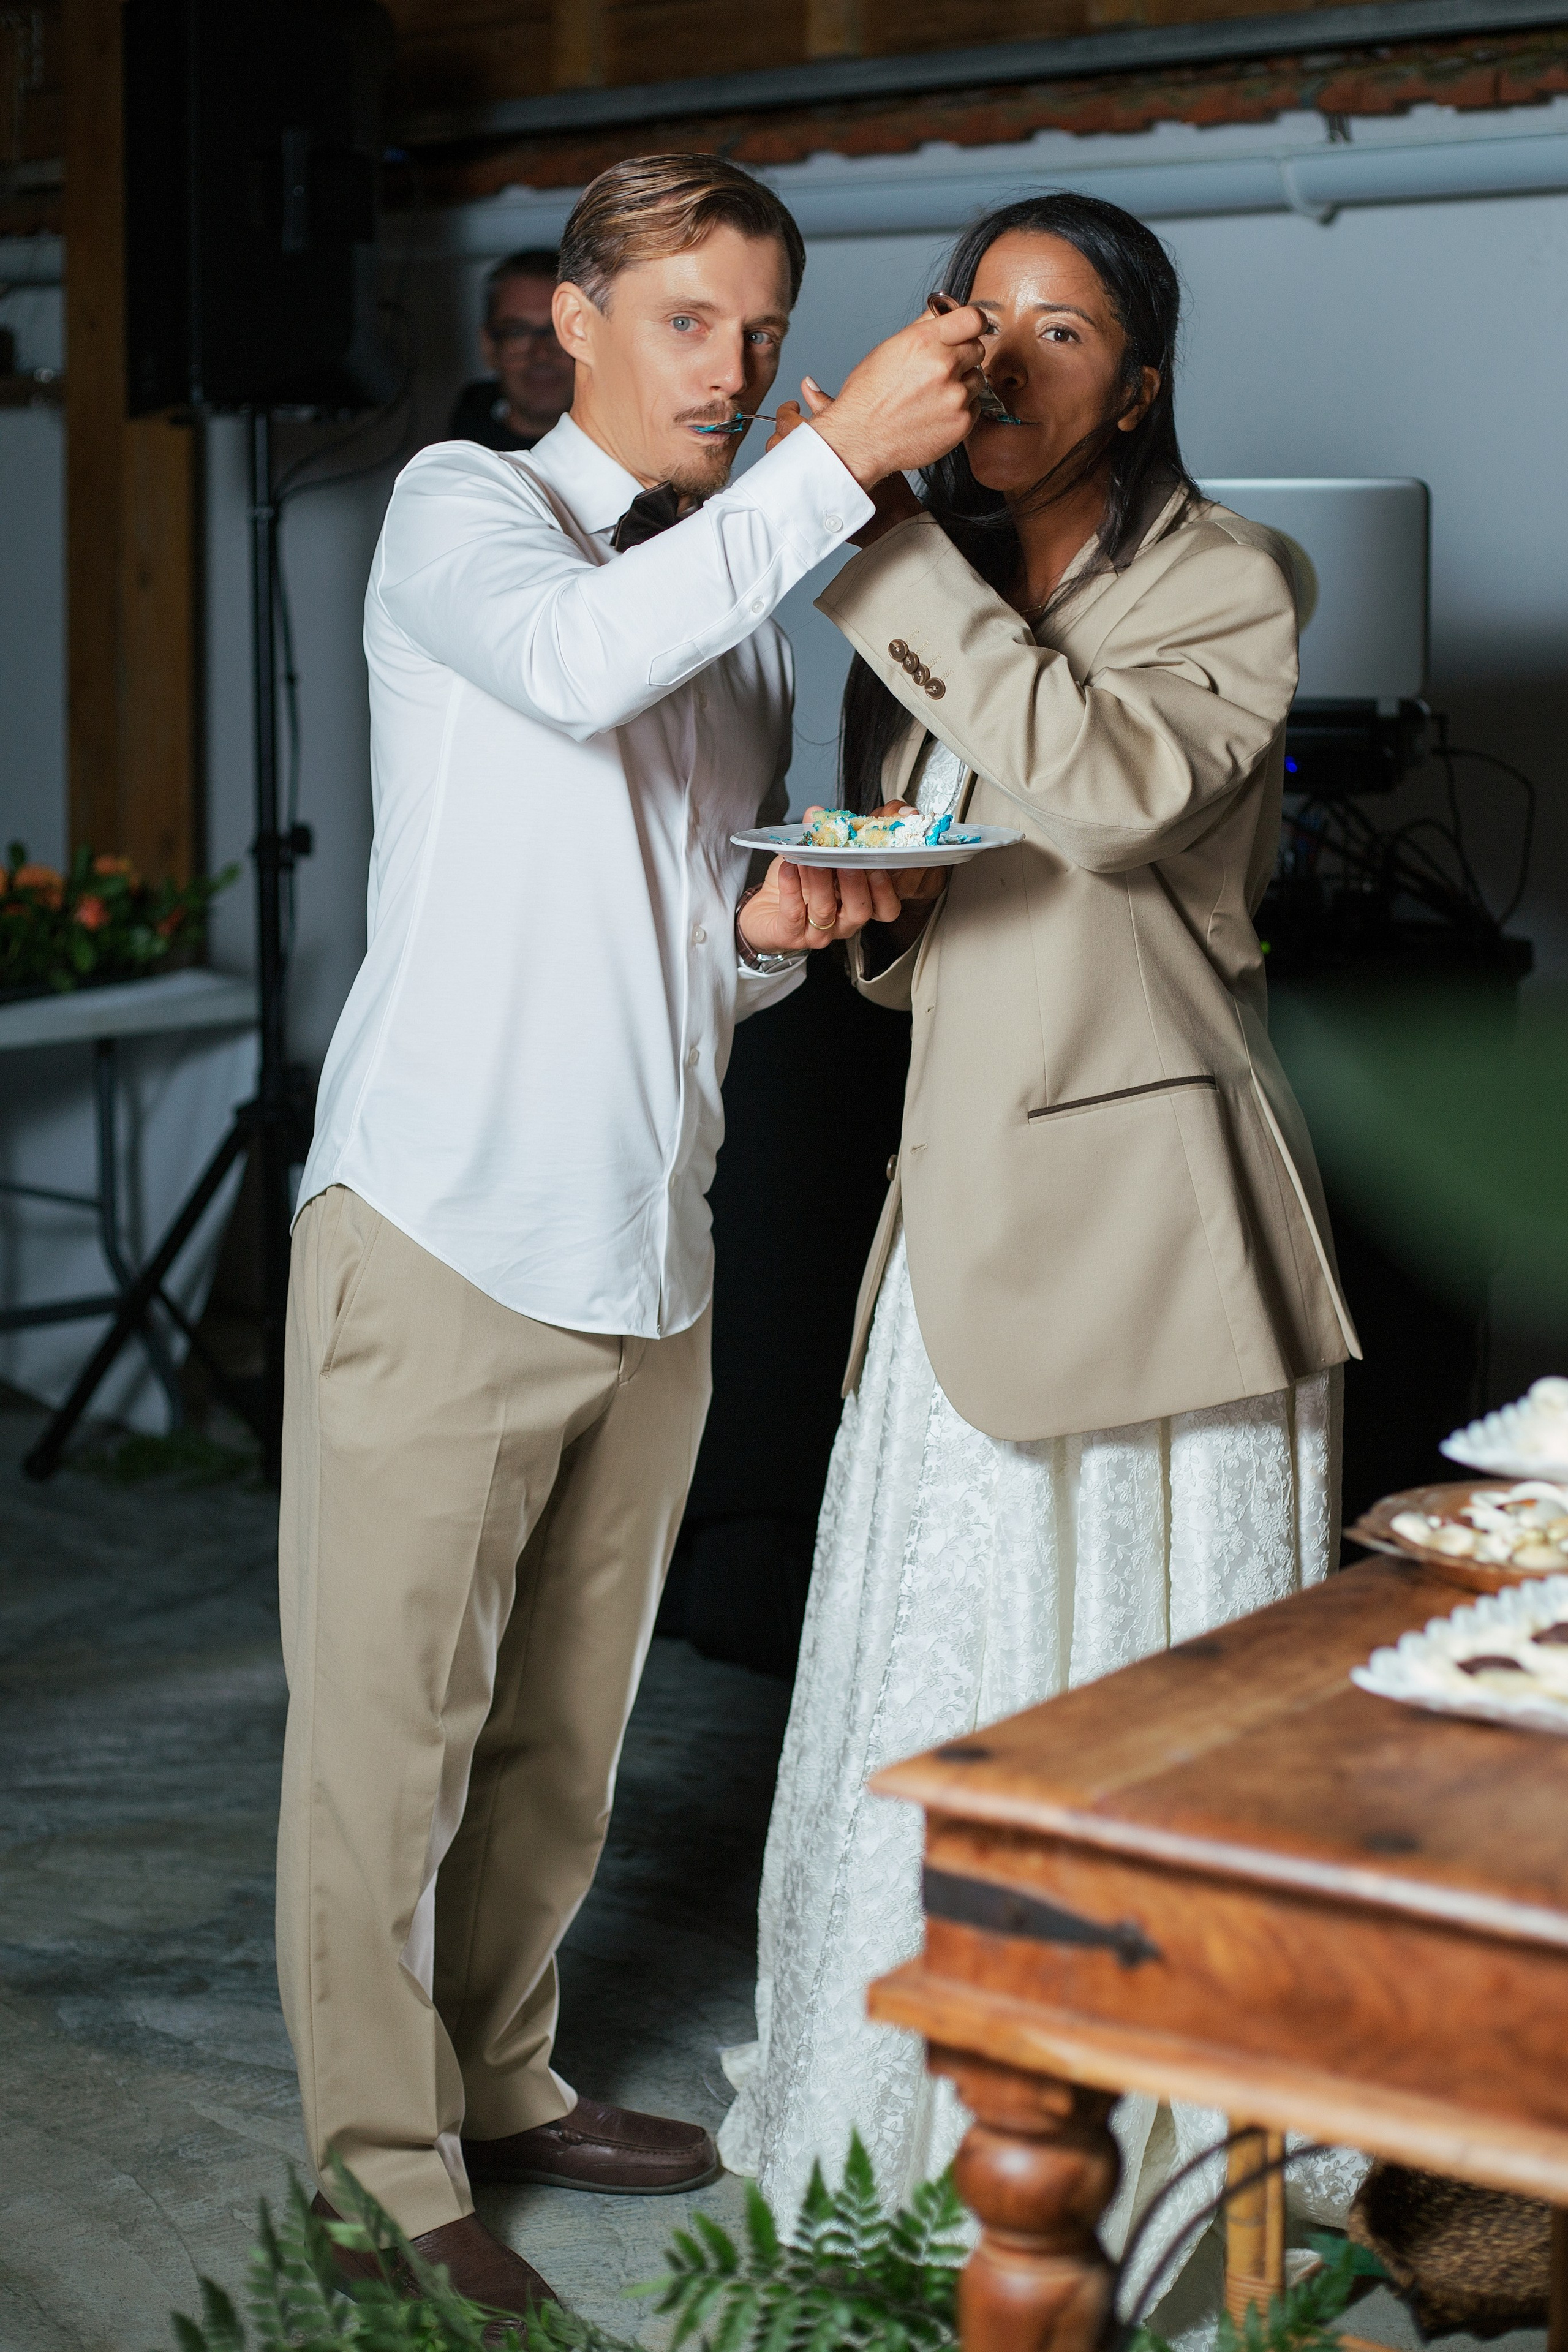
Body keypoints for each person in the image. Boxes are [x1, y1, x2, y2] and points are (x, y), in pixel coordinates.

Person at [275, 151, 995, 2328]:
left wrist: (774, 930)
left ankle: (506, 2080)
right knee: (383, 1747)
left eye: (764, 332)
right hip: (438, 1232)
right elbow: (580, 671)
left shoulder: (741, 614)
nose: (736, 367)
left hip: (643, 1253)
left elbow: (687, 943)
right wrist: (837, 460)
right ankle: (375, 2178)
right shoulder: (460, 516)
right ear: (575, 320)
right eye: (689, 319)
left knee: (560, 1741)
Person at [718, 190, 1367, 2308]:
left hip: (1158, 1245)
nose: (1003, 359)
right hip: (956, 1224)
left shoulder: (1237, 584)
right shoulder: (965, 598)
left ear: (1141, 385)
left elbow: (1103, 802)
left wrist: (875, 544)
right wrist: (880, 918)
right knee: (938, 1687)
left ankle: (1172, 2185)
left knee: (1134, 1714)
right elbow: (988, 906)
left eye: (1062, 328)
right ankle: (906, 2150)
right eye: (974, 319)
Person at [447, 247, 576, 451]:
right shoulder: (458, 463)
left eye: (558, 330)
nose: (541, 353)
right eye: (518, 333)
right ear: (489, 346)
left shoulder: (635, 458)